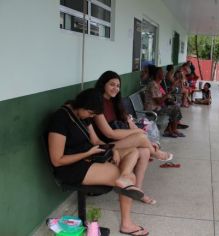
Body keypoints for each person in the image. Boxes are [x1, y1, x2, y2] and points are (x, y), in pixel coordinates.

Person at [47, 88, 149, 235]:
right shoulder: (60, 119)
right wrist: (87, 153)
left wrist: (111, 148)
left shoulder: (82, 113)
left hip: (89, 156)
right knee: (131, 179)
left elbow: (95, 140)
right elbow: (57, 161)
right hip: (71, 167)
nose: (91, 116)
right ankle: (126, 224)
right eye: (90, 113)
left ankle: (124, 177)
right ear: (82, 105)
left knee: (133, 151)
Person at [94, 71, 175, 204]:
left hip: (119, 141)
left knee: (144, 151)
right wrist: (137, 134)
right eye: (111, 84)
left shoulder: (116, 103)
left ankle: (138, 191)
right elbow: (109, 134)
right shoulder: (97, 104)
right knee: (141, 138)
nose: (115, 88)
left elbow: (129, 125)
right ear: (103, 85)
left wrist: (139, 133)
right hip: (106, 144)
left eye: (118, 85)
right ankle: (157, 153)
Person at [145, 66, 187, 138]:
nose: (164, 74)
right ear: (157, 74)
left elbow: (162, 98)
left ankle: (171, 130)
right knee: (175, 109)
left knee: (175, 107)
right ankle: (172, 130)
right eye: (162, 72)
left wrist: (168, 95)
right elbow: (159, 101)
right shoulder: (153, 85)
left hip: (158, 107)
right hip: (153, 110)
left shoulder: (157, 84)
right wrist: (168, 93)